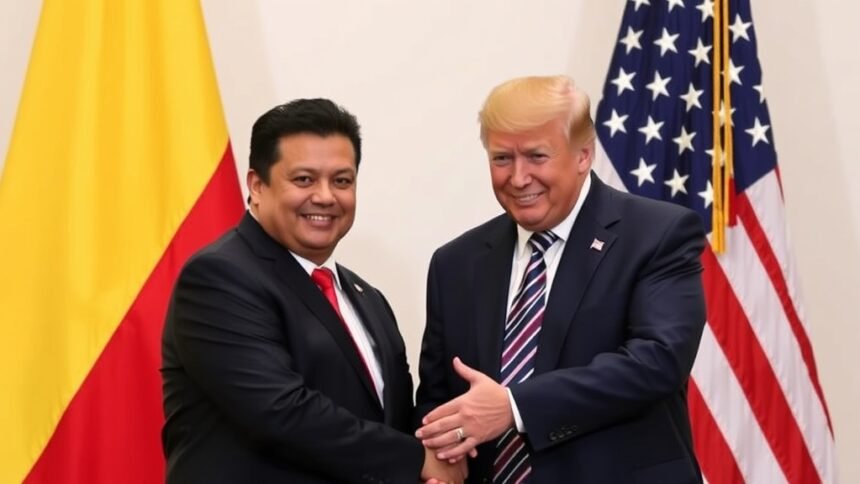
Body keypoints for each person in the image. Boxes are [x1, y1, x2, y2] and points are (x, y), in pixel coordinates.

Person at [415, 76, 706, 483]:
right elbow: (439, 395)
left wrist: (515, 407)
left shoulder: (658, 234)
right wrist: (442, 449)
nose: (518, 178)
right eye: (502, 159)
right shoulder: (455, 263)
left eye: (537, 156)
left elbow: (657, 361)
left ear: (583, 155)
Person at [161, 98, 465, 483]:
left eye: (342, 180)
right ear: (257, 185)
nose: (325, 196)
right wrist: (417, 460)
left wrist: (447, 440)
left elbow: (395, 417)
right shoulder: (219, 277)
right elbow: (281, 412)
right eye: (304, 179)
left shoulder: (367, 298)